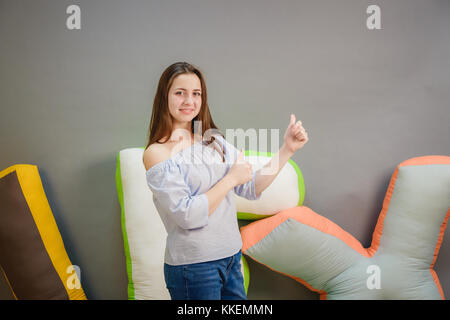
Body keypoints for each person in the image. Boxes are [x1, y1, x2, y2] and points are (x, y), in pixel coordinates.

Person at [143, 61, 309, 300]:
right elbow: (187, 215)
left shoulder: (212, 140)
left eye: (196, 93)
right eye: (180, 93)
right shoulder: (156, 154)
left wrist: (287, 150)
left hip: (231, 258)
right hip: (194, 268)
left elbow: (251, 187)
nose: (189, 101)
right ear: (164, 97)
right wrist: (231, 178)